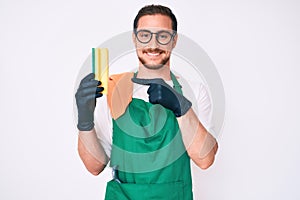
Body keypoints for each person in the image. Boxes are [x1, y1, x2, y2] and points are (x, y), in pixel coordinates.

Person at [75, 4, 218, 200]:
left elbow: (205, 159)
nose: (153, 44)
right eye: (145, 35)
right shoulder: (114, 89)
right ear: (135, 39)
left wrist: (182, 107)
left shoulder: (193, 90)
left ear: (174, 40)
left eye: (163, 36)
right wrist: (85, 120)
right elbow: (94, 166)